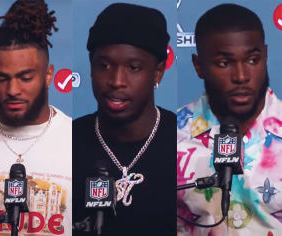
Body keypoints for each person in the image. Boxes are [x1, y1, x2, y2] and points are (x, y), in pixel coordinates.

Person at [0, 0, 72, 235]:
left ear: (48, 75)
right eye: (2, 78)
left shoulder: (76, 142)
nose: (12, 89)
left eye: (25, 77)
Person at [177, 4, 282, 235]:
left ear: (265, 56)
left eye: (253, 60)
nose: (241, 77)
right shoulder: (171, 136)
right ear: (198, 66)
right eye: (224, 64)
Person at [72, 3, 176, 235]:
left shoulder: (184, 144)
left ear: (157, 72)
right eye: (105, 65)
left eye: (134, 67)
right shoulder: (64, 142)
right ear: (91, 67)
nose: (117, 80)